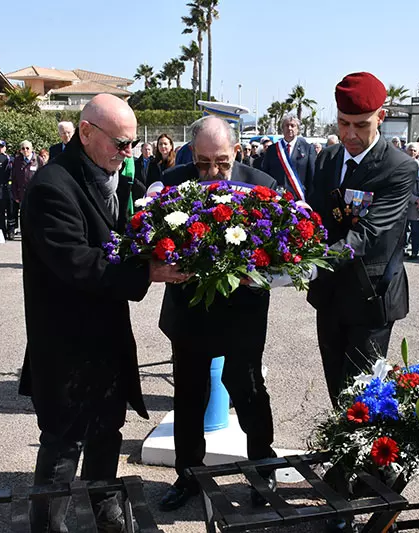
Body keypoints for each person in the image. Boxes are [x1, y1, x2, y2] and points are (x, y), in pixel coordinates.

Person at [18, 93, 187, 533]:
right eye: (121, 143)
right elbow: (76, 261)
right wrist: (147, 272)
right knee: (63, 444)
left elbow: (116, 245)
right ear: (86, 132)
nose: (128, 153)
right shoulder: (52, 186)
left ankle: (105, 514)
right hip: (67, 345)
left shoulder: (112, 179)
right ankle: (48, 526)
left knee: (107, 431)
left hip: (107, 341)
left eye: (132, 144)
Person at [157, 116, 280, 512]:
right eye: (204, 162)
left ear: (236, 152)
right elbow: (150, 240)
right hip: (190, 310)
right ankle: (188, 475)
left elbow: (279, 250)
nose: (213, 173)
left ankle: (263, 469)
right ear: (192, 154)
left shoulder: (263, 185)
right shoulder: (170, 182)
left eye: (222, 163)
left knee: (248, 389)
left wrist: (258, 274)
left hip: (242, 312)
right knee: (190, 395)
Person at [308, 71, 417, 404]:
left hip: (370, 297)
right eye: (343, 124)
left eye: (360, 125)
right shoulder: (327, 159)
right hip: (328, 296)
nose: (350, 134)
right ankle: (340, 453)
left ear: (380, 117)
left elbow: (367, 234)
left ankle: (355, 455)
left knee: (360, 397)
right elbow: (315, 218)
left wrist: (311, 265)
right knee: (335, 388)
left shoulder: (398, 167)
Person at [261, 114, 316, 201]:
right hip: (276, 198)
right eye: (287, 126)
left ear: (297, 129)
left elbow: (312, 176)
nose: (290, 128)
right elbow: (265, 174)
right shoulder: (272, 149)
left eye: (293, 126)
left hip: (299, 198)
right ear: (282, 129)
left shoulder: (308, 148)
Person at [10, 140, 42, 239]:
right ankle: (25, 234)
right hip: (22, 193)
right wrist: (15, 194)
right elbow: (14, 179)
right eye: (23, 148)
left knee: (36, 214)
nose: (25, 150)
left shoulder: (38, 160)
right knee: (24, 215)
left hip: (35, 193)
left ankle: (37, 234)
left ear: (31, 149)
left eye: (27, 148)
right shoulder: (17, 160)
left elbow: (44, 176)